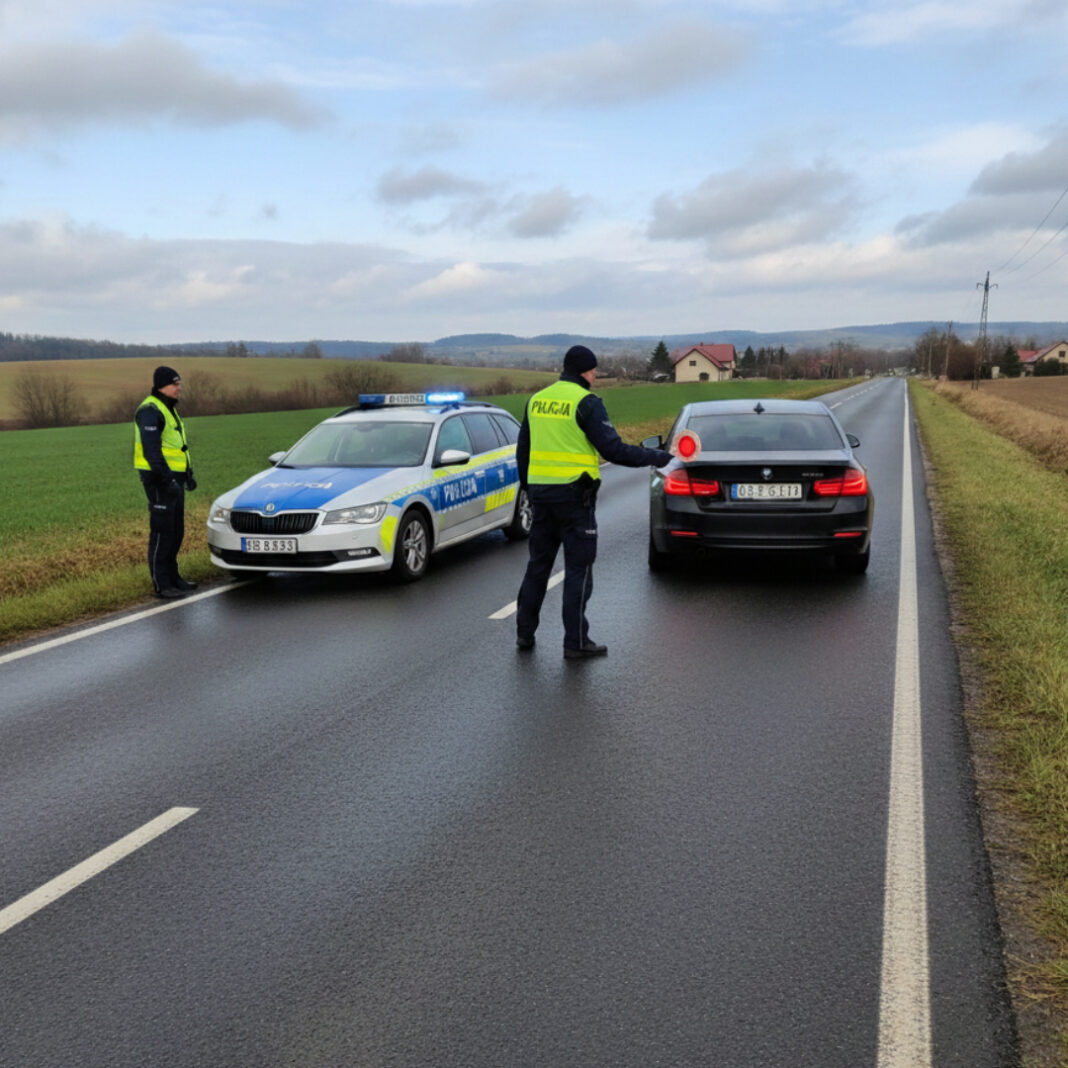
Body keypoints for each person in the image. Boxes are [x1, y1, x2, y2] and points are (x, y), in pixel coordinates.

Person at [515, 345, 674, 659]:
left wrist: (529, 491)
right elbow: (613, 451)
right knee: (578, 569)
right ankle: (575, 642)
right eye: (594, 370)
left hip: (542, 498)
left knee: (538, 567)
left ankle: (524, 635)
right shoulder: (586, 403)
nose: (597, 375)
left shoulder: (537, 401)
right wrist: (661, 457)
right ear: (585, 370)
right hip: (575, 499)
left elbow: (523, 451)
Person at [133, 366, 198, 598]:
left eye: (179, 383)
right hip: (158, 478)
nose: (179, 388)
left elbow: (175, 446)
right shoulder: (150, 410)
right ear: (162, 386)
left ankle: (174, 578)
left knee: (176, 530)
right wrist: (167, 479)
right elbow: (152, 451)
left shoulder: (168, 408)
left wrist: (187, 476)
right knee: (162, 531)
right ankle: (162, 584)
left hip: (174, 478)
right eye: (175, 384)